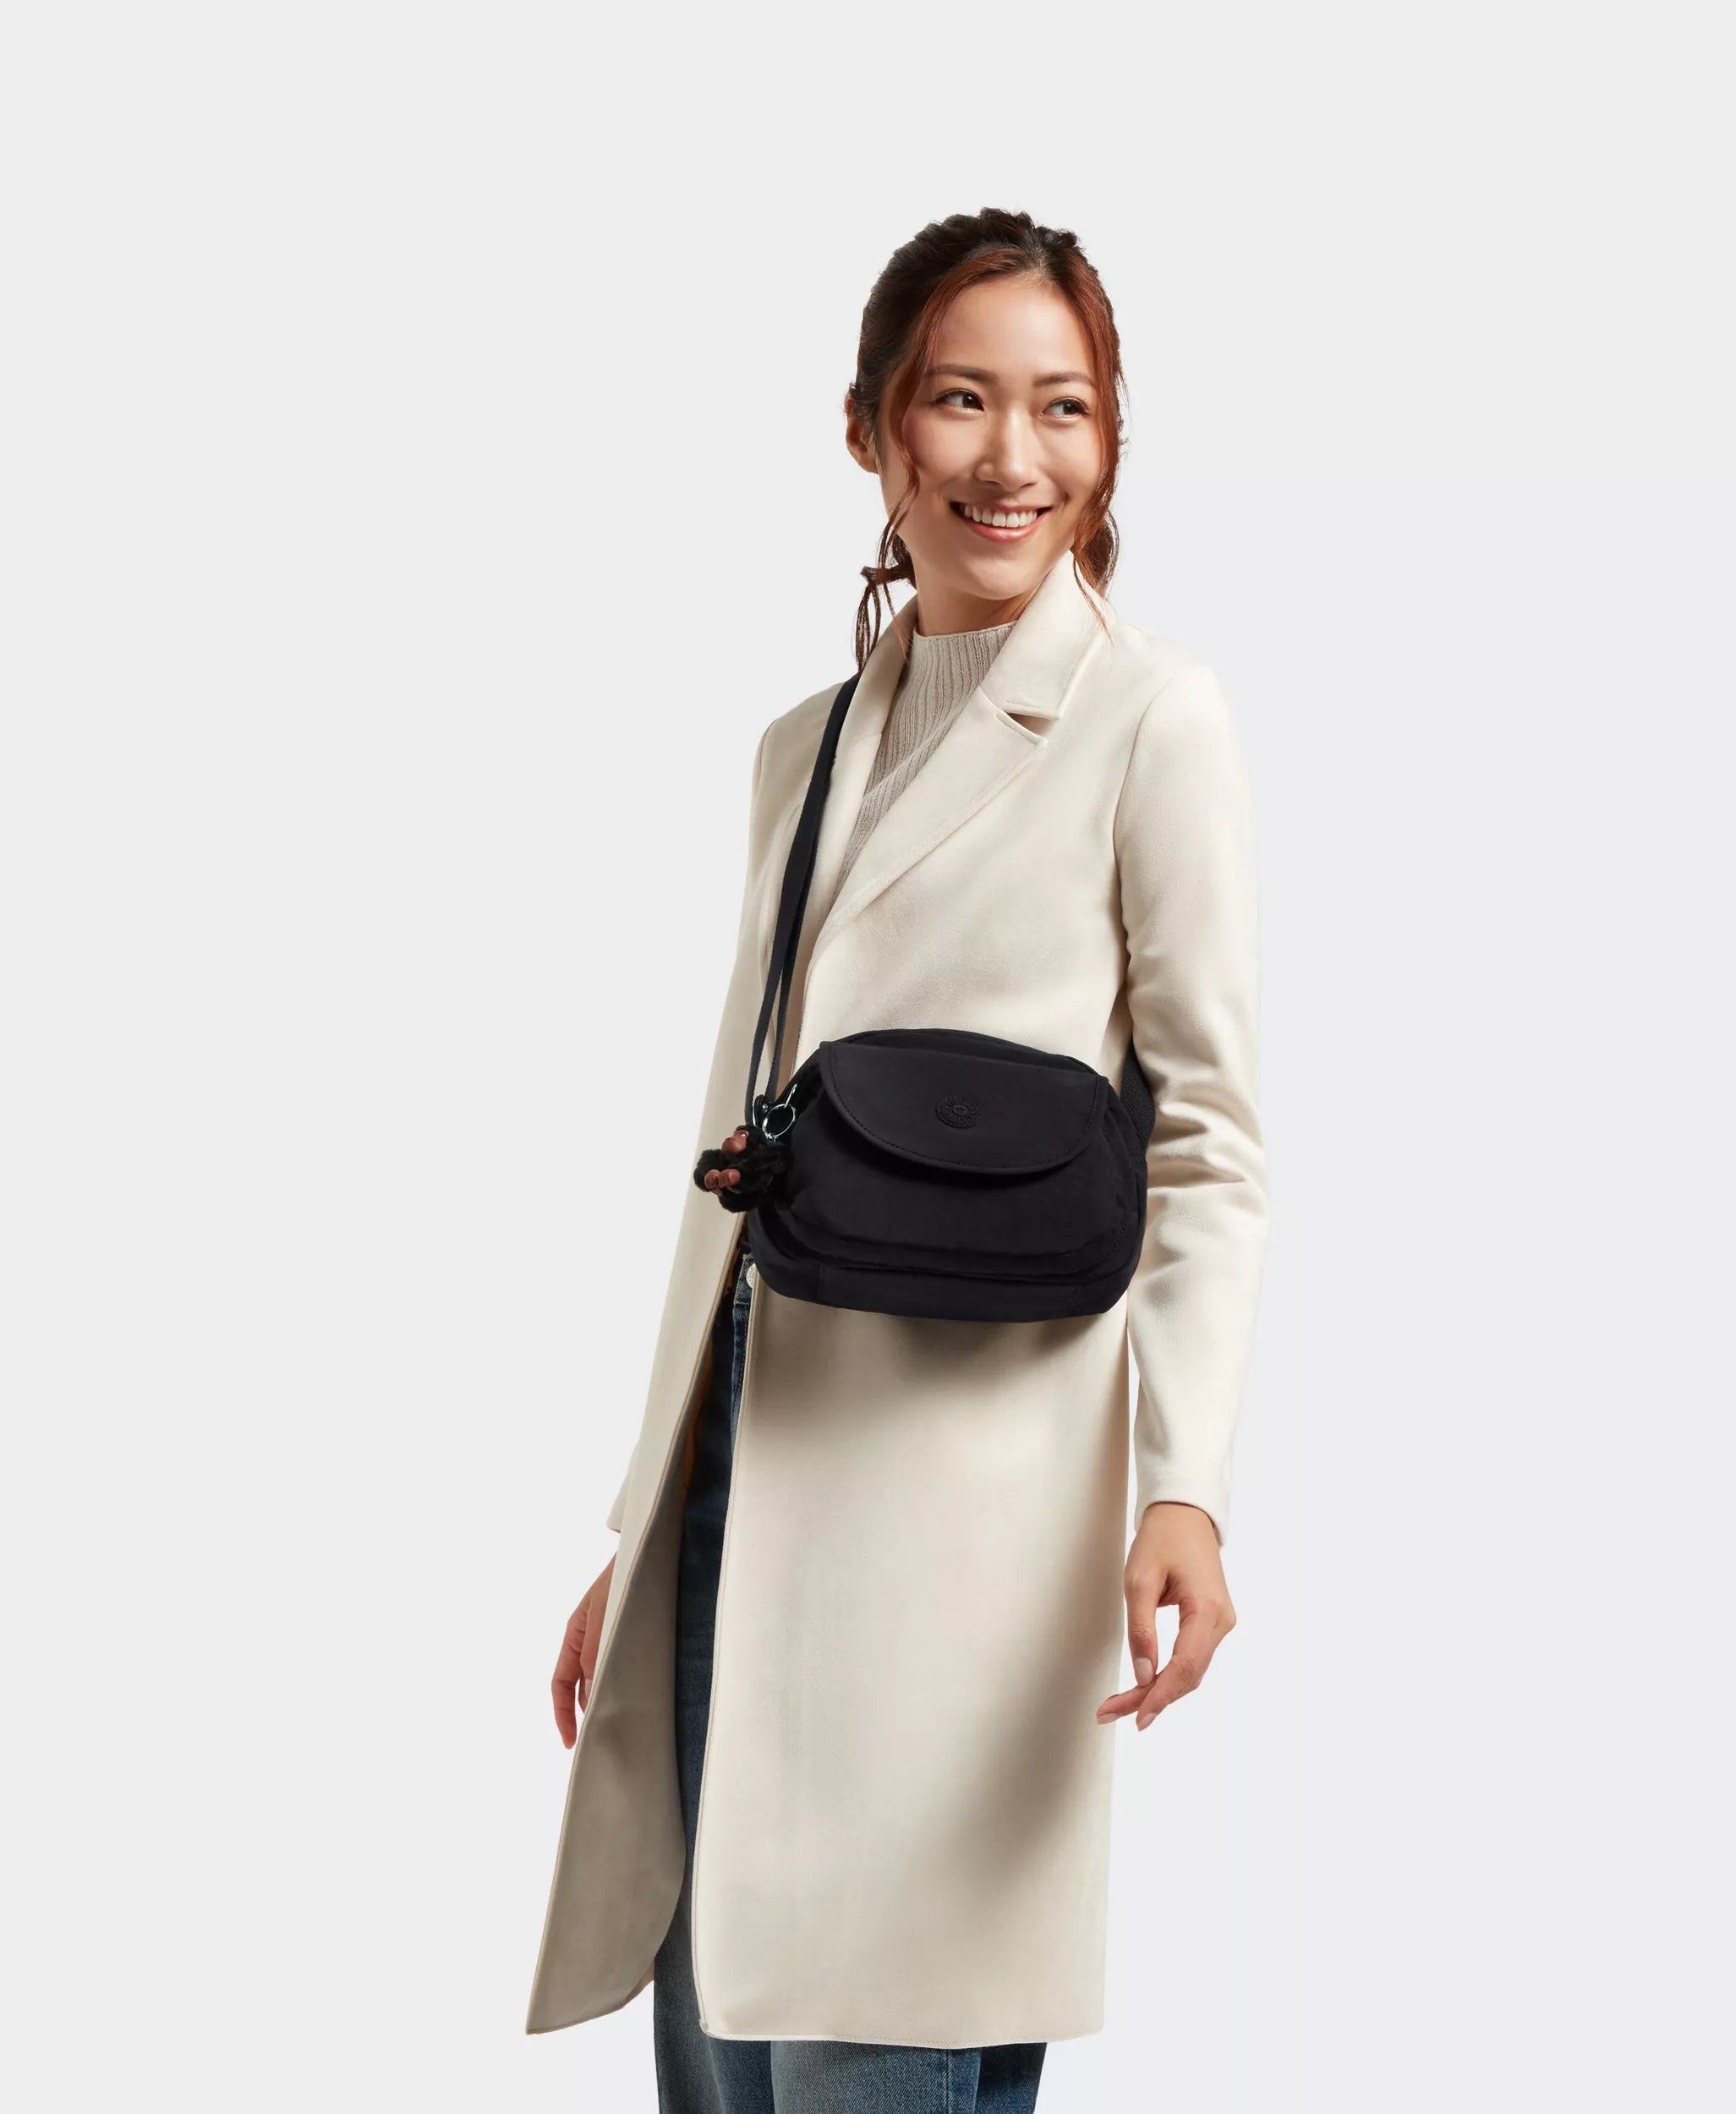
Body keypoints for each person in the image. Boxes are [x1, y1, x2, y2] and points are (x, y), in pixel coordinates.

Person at [526, 208, 1269, 2114]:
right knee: (722, 2061)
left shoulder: (1148, 721)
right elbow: (743, 1147)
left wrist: (1182, 1486)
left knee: (884, 2047)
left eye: (1063, 407)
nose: (1012, 456)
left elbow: (1208, 1140)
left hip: (966, 1543)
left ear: (1110, 443)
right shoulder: (803, 749)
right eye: (959, 399)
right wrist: (648, 1527)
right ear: (869, 429)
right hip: (739, 1512)